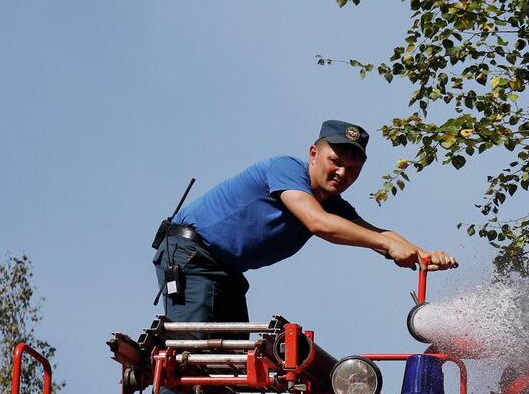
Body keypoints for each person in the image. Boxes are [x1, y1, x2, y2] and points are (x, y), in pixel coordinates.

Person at [152, 120, 458, 330]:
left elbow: (376, 232)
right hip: (191, 257)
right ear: (313, 154)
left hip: (225, 273)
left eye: (352, 170)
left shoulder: (331, 204)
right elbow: (318, 223)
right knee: (192, 351)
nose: (342, 173)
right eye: (335, 161)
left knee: (231, 358)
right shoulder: (286, 169)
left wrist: (423, 254)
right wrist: (388, 245)